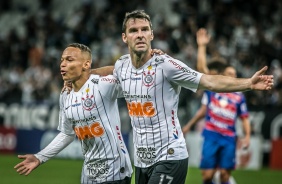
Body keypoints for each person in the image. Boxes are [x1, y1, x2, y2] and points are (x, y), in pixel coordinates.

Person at [111, 10, 273, 184]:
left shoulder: (166, 65)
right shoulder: (121, 66)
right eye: (134, 31)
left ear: (152, 34)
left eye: (144, 30)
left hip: (170, 156)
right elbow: (104, 76)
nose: (140, 35)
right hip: (142, 161)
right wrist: (82, 71)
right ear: (124, 37)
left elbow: (208, 81)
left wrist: (248, 83)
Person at [14, 43, 133, 184]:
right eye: (62, 60)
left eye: (69, 60)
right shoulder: (65, 94)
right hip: (88, 174)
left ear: (86, 64)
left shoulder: (102, 85)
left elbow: (131, 74)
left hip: (115, 172)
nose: (62, 64)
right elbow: (67, 133)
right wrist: (40, 157)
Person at [182, 28, 251, 184]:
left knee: (224, 176)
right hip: (211, 136)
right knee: (207, 176)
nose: (232, 76)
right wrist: (202, 46)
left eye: (234, 74)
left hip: (228, 139)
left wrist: (247, 136)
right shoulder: (214, 89)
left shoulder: (239, 96)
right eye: (229, 74)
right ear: (224, 76)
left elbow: (245, 118)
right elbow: (202, 70)